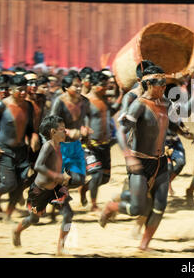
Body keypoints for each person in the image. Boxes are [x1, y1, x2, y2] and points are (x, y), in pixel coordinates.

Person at [99, 63, 176, 252]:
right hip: (140, 162)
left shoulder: (166, 104)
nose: (164, 86)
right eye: (160, 83)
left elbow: (171, 125)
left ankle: (144, 246)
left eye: (165, 82)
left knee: (159, 206)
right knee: (136, 209)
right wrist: (128, 157)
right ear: (148, 84)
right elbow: (120, 132)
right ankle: (111, 207)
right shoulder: (138, 105)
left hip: (161, 163)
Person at [12, 115, 73, 256]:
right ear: (53, 132)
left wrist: (65, 174)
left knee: (68, 215)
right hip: (39, 191)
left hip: (56, 189)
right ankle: (17, 230)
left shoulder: (61, 146)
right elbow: (39, 165)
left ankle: (61, 247)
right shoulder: (48, 146)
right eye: (62, 129)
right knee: (34, 219)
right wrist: (57, 176)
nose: (66, 132)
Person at [80, 71, 123, 211]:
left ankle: (85, 188)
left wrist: (122, 95)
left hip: (105, 144)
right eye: (102, 85)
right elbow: (79, 120)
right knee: (97, 174)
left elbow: (111, 111)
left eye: (106, 85)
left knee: (105, 178)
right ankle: (93, 205)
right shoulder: (85, 101)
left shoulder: (104, 100)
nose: (105, 88)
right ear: (92, 85)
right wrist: (83, 131)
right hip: (90, 145)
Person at [0, 75, 39, 220]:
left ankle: (8, 214)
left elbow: (30, 127)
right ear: (11, 90)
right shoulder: (2, 106)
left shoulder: (28, 106)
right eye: (19, 90)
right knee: (9, 184)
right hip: (4, 150)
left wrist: (33, 135)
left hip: (21, 151)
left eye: (24, 90)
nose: (23, 93)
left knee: (21, 183)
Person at [50, 73, 92, 191]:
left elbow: (87, 118)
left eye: (80, 85)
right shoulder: (59, 102)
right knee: (59, 176)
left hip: (75, 145)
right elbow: (52, 123)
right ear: (66, 88)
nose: (79, 88)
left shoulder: (85, 101)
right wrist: (67, 131)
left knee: (79, 180)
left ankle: (60, 191)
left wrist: (86, 129)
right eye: (75, 86)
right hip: (60, 145)